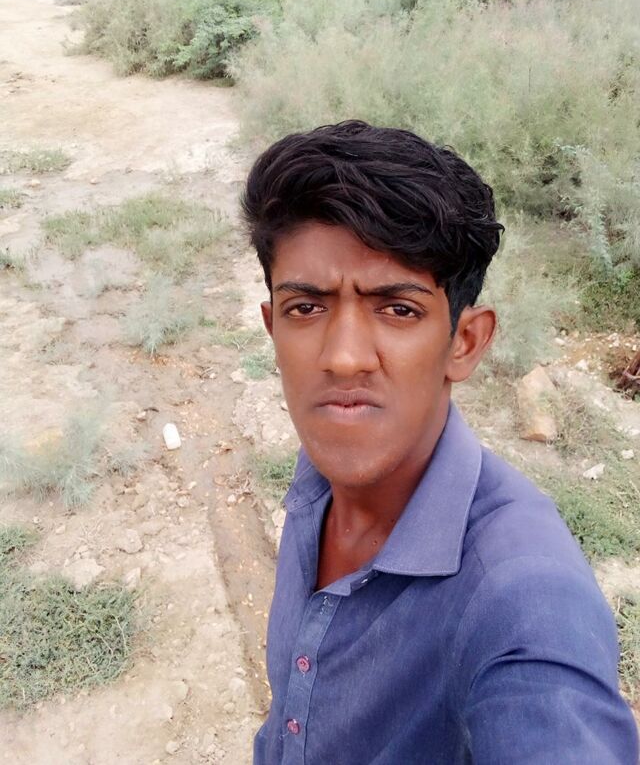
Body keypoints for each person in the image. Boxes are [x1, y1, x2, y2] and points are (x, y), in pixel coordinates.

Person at [241, 120, 639, 764]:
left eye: (397, 309)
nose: (343, 358)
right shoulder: (323, 474)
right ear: (272, 327)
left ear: (465, 342)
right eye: (306, 308)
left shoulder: (523, 599)